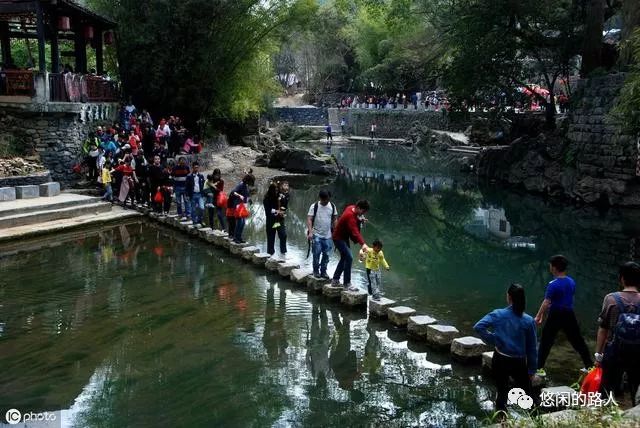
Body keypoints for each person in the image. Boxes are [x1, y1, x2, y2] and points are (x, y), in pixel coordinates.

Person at [474, 284, 538, 413]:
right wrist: (532, 369)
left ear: (509, 297)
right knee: (528, 394)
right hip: (519, 362)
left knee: (501, 393)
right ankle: (536, 419)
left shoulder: (498, 314)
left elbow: (479, 327)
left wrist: (494, 339)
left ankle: (502, 421)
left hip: (500, 359)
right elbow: (532, 348)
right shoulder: (528, 320)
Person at [534, 255, 592, 376]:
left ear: (554, 268)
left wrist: (539, 316)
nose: (550, 267)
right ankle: (590, 366)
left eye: (551, 265)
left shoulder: (553, 284)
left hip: (555, 314)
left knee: (546, 341)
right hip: (569, 314)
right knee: (577, 340)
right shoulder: (571, 282)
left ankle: (539, 368)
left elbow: (546, 302)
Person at [595, 261, 640, 406]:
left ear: (621, 278)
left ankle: (604, 415)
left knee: (607, 389)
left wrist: (598, 356)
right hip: (638, 353)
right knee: (636, 388)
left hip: (615, 351)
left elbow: (603, 329)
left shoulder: (611, 299)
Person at [332, 200, 370, 290]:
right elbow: (355, 232)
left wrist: (360, 219)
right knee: (349, 257)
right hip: (338, 238)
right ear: (358, 208)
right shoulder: (350, 216)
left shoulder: (351, 207)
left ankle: (335, 280)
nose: (363, 214)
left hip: (343, 237)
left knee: (344, 258)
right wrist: (363, 244)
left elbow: (355, 218)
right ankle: (347, 283)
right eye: (363, 212)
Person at [307, 190, 338, 279]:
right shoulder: (314, 206)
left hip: (328, 236)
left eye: (328, 199)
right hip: (316, 234)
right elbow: (309, 219)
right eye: (324, 200)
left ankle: (323, 271)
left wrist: (336, 231)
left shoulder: (332, 206)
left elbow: (335, 219)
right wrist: (310, 232)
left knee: (327, 255)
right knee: (316, 254)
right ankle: (316, 271)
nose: (326, 201)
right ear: (320, 198)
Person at [263, 181, 289, 258]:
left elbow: (285, 205)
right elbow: (268, 210)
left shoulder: (280, 196)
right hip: (271, 221)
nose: (276, 192)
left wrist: (282, 211)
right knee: (271, 238)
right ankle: (270, 255)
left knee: (283, 235)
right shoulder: (267, 198)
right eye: (275, 190)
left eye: (277, 190)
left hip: (279, 220)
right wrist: (277, 211)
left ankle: (283, 253)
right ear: (271, 190)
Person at [229, 173, 255, 243]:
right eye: (251, 182)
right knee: (240, 222)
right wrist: (239, 195)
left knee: (243, 222)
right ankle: (235, 238)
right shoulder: (241, 185)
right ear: (248, 180)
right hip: (238, 205)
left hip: (243, 206)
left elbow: (246, 195)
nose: (251, 183)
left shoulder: (245, 186)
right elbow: (233, 192)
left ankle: (239, 237)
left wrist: (249, 200)